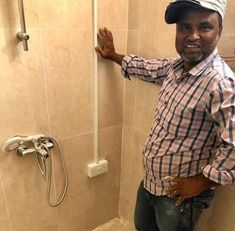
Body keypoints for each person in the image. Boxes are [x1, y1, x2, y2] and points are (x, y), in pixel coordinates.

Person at [95, 0, 235, 230]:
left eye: (204, 27)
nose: (193, 35)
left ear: (219, 30)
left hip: (179, 198)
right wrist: (113, 55)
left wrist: (200, 183)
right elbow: (147, 67)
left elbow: (233, 146)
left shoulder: (221, 83)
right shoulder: (176, 68)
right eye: (184, 27)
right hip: (151, 183)